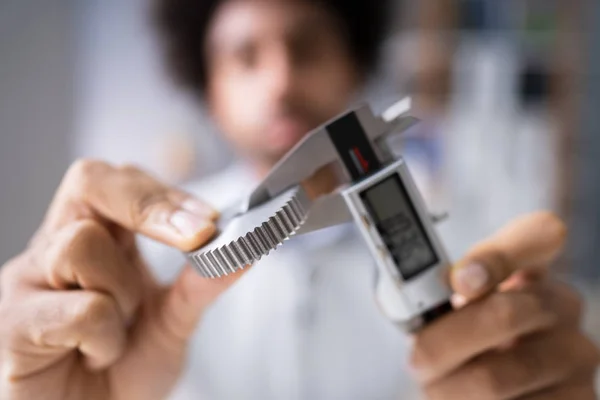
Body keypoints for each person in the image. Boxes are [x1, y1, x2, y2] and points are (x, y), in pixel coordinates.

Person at [0, 0, 598, 399]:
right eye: (245, 56)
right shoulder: (137, 268)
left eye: (306, 47)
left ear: (355, 66)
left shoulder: (469, 254)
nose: (280, 80)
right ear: (207, 89)